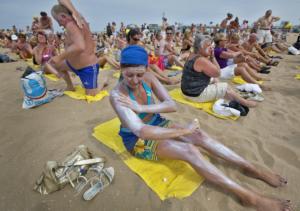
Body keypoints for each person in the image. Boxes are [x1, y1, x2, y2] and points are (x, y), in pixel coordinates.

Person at [110, 45, 291, 211]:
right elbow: (141, 131)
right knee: (189, 151)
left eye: (139, 74)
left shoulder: (148, 78)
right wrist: (182, 132)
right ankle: (248, 197)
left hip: (156, 122)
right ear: (121, 69)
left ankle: (249, 167)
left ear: (146, 70)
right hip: (137, 140)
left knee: (200, 136)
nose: (135, 80)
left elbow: (171, 104)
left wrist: (141, 108)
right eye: (129, 75)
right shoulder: (117, 95)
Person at [181, 35, 256, 107]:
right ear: (200, 47)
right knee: (225, 86)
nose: (211, 48)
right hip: (195, 95)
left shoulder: (192, 55)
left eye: (211, 45)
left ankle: (230, 94)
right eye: (208, 46)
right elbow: (218, 73)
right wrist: (213, 57)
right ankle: (246, 103)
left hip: (186, 91)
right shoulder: (201, 60)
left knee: (214, 80)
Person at [49, 0, 106, 96]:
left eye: (58, 21)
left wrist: (60, 57)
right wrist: (74, 11)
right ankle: (70, 86)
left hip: (87, 67)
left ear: (63, 16)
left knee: (91, 95)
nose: (59, 24)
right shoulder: (78, 18)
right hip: (72, 65)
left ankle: (103, 82)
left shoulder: (71, 25)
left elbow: (80, 46)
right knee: (57, 66)